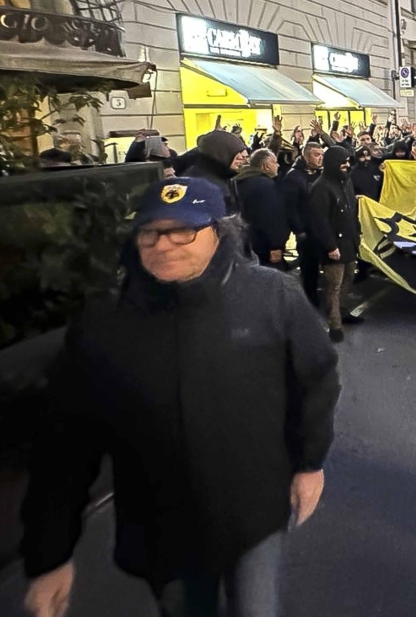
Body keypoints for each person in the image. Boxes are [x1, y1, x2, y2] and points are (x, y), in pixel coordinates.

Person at [20, 177, 339, 617]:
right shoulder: (104, 326)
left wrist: (310, 463)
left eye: (182, 230)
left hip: (255, 511)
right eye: (150, 231)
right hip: (162, 528)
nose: (163, 244)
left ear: (219, 232)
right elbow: (66, 446)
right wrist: (50, 556)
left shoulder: (273, 298)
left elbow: (316, 381)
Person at [307, 147, 362, 342]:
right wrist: (330, 246)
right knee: (333, 286)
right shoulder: (321, 187)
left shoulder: (345, 182)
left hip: (349, 242)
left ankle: (343, 312)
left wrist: (357, 234)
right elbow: (319, 221)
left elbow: (351, 211)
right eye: (343, 162)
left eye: (348, 161)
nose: (347, 165)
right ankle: (335, 326)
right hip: (334, 247)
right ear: (332, 164)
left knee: (348, 280)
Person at [281, 143, 324, 307]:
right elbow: (289, 207)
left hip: (320, 226)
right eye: (315, 154)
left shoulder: (319, 174)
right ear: (306, 156)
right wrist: (298, 229)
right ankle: (309, 296)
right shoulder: (294, 176)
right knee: (309, 265)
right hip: (306, 229)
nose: (320, 158)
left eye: (321, 154)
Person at [233, 149, 290, 267]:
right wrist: (276, 245)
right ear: (266, 166)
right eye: (275, 162)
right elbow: (271, 218)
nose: (278, 165)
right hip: (264, 246)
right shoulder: (266, 186)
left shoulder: (240, 181)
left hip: (244, 242)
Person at [184, 130, 248, 213]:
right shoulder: (200, 184)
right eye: (237, 152)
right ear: (220, 154)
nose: (243, 157)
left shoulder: (224, 176)